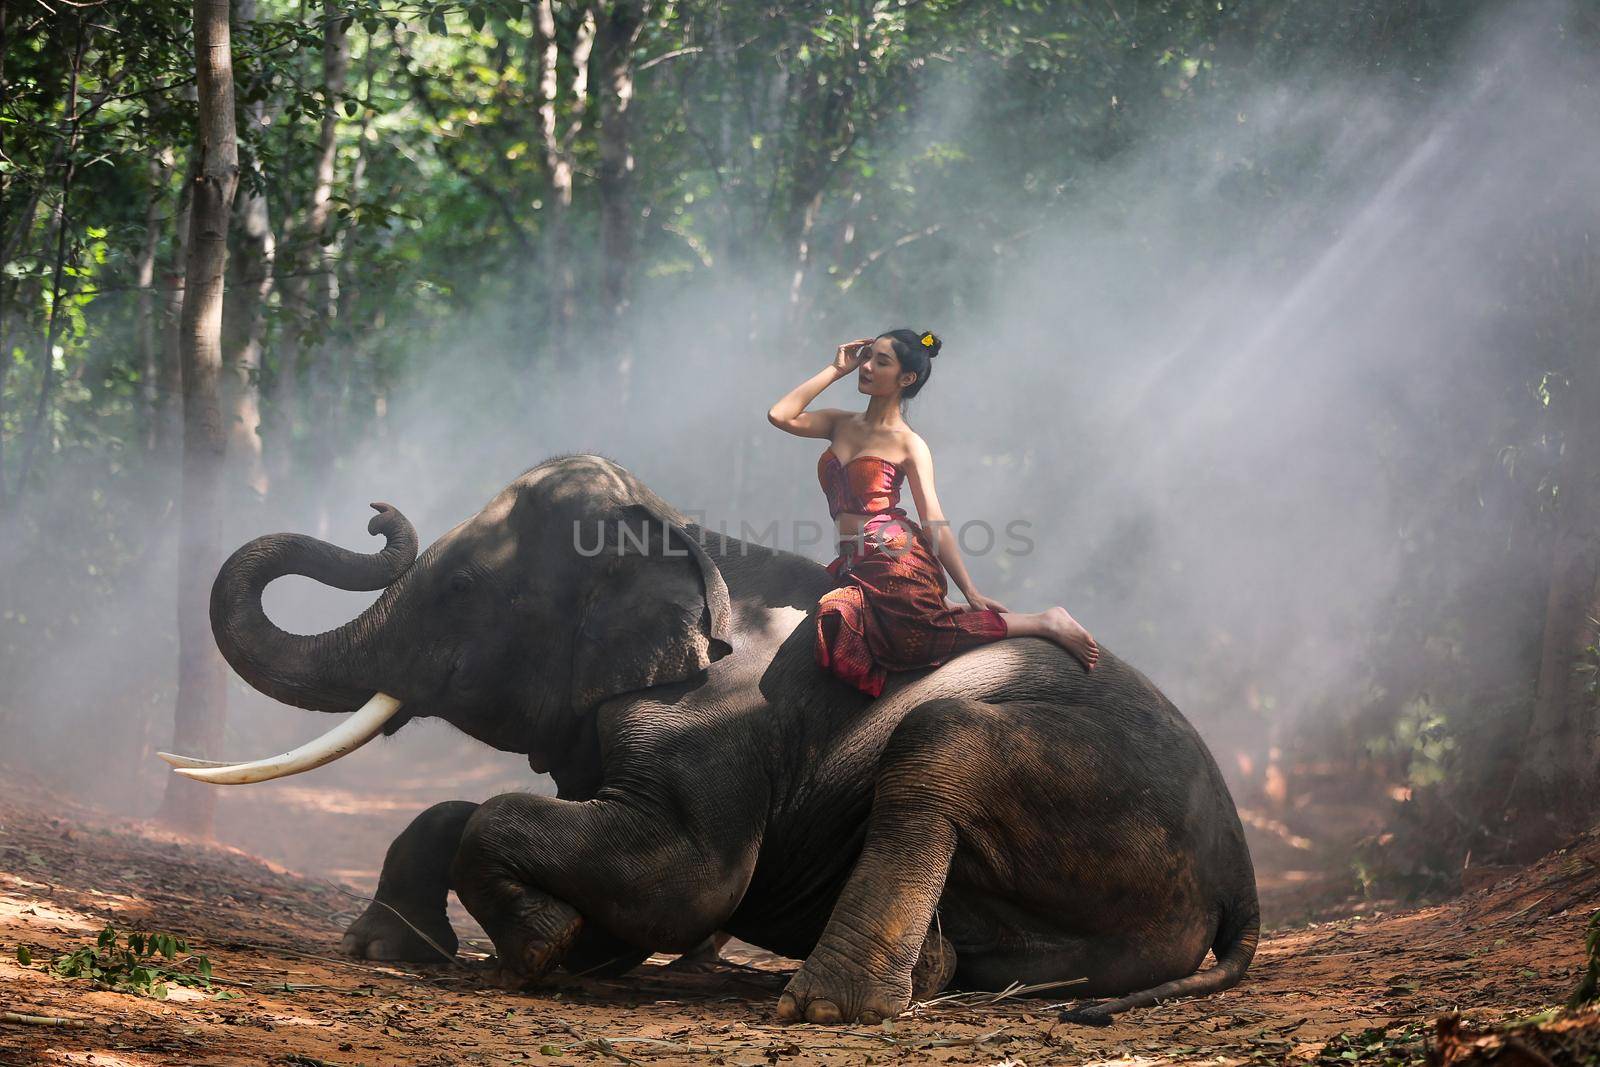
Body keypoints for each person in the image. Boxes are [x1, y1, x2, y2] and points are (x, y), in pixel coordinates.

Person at [767, 329, 1099, 698]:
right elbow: (779, 415)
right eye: (867, 357)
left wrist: (971, 590)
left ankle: (1042, 622)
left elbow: (933, 521)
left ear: (906, 378)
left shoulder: (910, 444)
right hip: (855, 561)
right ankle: (937, 604)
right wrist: (835, 368)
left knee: (915, 641)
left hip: (894, 555)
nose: (867, 366)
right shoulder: (838, 423)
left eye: (882, 361)